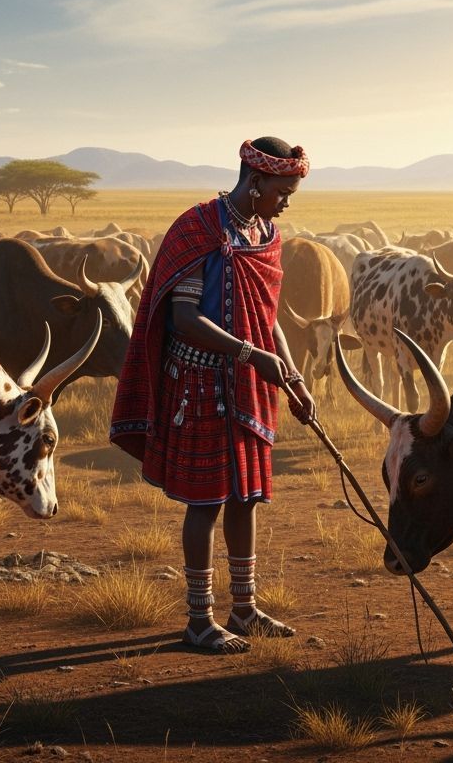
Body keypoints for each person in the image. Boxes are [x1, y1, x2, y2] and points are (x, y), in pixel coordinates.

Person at [111, 136, 316, 654]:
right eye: (282, 191)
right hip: (200, 385)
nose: (286, 202)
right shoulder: (199, 229)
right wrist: (252, 356)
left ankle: (244, 608)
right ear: (256, 181)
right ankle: (198, 620)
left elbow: (267, 319)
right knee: (206, 502)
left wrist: (292, 376)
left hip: (249, 385)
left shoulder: (266, 233)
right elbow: (184, 318)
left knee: (246, 497)